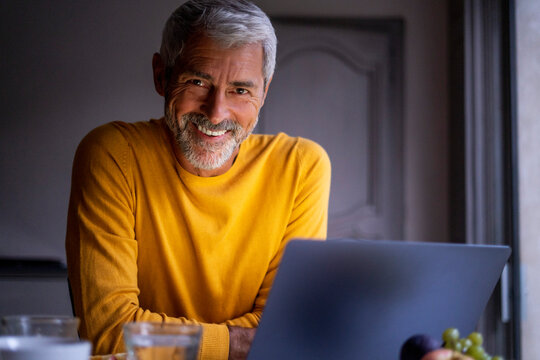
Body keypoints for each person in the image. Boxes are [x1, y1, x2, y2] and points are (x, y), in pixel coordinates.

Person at [65, 0, 331, 359]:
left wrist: (162, 343)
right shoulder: (113, 154)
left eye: (240, 90)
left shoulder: (301, 166)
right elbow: (109, 332)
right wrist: (238, 342)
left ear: (264, 92)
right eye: (197, 81)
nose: (216, 112)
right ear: (161, 76)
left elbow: (285, 331)